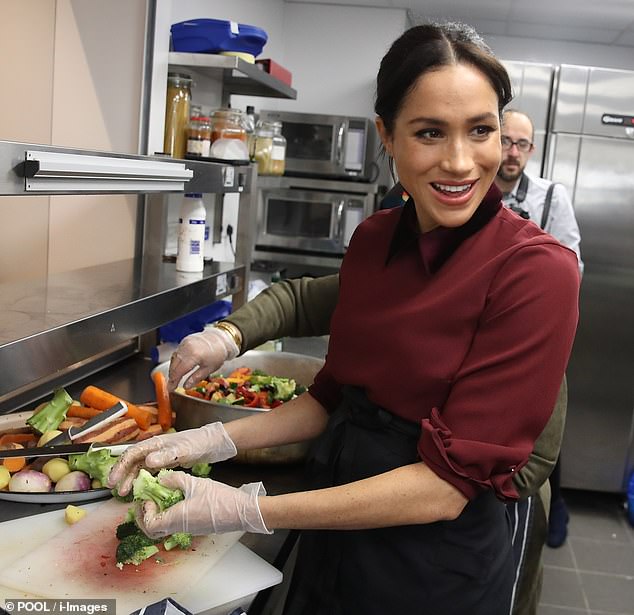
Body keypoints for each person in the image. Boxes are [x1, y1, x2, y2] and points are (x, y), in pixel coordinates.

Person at [109, 22, 580, 615]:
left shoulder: (536, 272)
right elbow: (330, 398)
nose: (461, 162)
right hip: (339, 522)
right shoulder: (375, 240)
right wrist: (202, 441)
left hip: (439, 559)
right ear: (387, 135)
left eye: (481, 131)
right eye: (430, 132)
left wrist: (243, 509)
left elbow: (443, 490)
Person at [496, 108, 583, 549]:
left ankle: (552, 513)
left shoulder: (551, 198)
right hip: (486, 338)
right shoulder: (472, 189)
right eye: (505, 140)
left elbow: (572, 265)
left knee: (544, 426)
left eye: (522, 144)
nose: (512, 153)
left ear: (532, 150)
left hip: (535, 336)